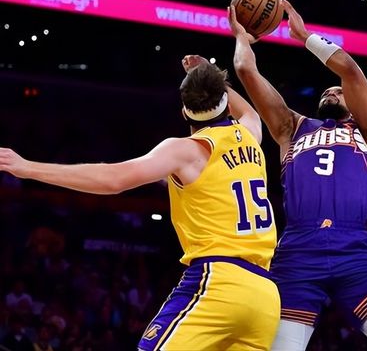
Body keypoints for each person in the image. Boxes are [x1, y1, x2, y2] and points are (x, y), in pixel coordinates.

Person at [0, 55, 280, 351]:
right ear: (224, 100)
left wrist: (28, 168)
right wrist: (210, 75)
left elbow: (113, 179)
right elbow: (249, 112)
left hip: (220, 282)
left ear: (184, 113)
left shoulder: (186, 151)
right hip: (265, 296)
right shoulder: (250, 134)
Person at [228, 1, 367, 351]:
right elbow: (246, 69)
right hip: (297, 253)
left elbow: (349, 71)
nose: (331, 91)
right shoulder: (291, 128)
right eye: (326, 91)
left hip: (355, 252)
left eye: (337, 91)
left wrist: (305, 37)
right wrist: (241, 38)